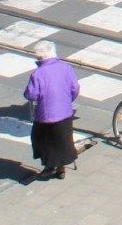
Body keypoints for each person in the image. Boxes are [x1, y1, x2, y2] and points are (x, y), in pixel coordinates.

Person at [22, 40, 80, 180]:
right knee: (63, 140)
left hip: (46, 115)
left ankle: (49, 167)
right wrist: (67, 100)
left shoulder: (38, 74)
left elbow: (31, 94)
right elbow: (75, 88)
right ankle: (61, 168)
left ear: (40, 57)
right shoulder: (66, 67)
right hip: (65, 112)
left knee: (42, 140)